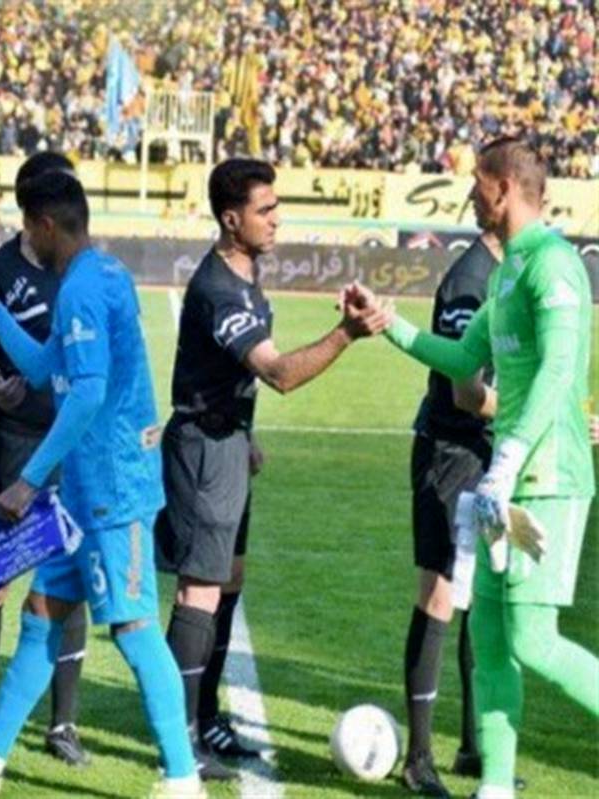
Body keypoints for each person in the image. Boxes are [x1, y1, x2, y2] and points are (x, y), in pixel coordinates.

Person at [0, 171, 203, 798]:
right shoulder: (101, 275)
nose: (25, 239)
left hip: (112, 489)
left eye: (26, 226)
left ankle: (183, 779)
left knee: (133, 627)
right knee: (42, 611)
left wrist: (27, 480)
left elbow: (89, 394)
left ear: (45, 225)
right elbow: (45, 366)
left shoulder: (83, 291)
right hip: (83, 490)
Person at [356, 137, 596, 799]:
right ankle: (494, 786)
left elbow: (557, 370)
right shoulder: (507, 271)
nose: (469, 195)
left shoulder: (554, 264)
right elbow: (462, 359)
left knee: (533, 639)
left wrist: (510, 457)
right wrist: (388, 323)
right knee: (489, 638)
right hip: (505, 484)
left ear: (505, 187)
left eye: (478, 183)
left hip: (549, 480)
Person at [155, 158, 389, 777]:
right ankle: (179, 740)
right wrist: (346, 334)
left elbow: (228, 373)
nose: (277, 219)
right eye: (265, 210)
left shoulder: (247, 277)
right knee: (199, 590)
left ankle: (205, 717)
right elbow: (279, 374)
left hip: (229, 440)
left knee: (228, 580)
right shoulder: (220, 288)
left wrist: (246, 432)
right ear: (232, 220)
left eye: (276, 207)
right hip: (203, 449)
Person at [0, 150, 90, 765]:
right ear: (31, 211)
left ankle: (63, 725)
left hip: (73, 448)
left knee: (70, 581)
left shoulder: (84, 269)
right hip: (12, 446)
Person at [399, 232, 502, 798]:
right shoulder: (470, 278)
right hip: (450, 452)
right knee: (438, 594)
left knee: (479, 597)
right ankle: (418, 758)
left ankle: (472, 747)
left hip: (486, 450)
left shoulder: (506, 271)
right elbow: (465, 391)